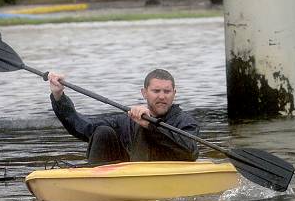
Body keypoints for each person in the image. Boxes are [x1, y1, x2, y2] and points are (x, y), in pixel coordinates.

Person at [47, 68, 200, 164]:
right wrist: (59, 96)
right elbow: (82, 127)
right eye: (156, 91)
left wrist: (150, 125)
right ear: (144, 93)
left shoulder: (186, 122)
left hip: (167, 176)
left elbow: (191, 151)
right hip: (129, 177)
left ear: (174, 93)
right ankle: (94, 183)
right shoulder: (126, 120)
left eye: (167, 92)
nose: (162, 96)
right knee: (102, 131)